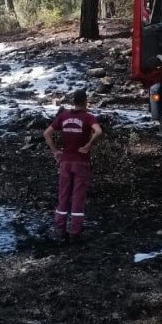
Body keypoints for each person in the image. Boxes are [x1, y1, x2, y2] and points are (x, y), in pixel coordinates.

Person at [43, 89, 103, 242]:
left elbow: (46, 133)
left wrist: (55, 151)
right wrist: (89, 144)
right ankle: (75, 232)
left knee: (63, 195)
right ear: (85, 101)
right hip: (81, 162)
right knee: (78, 197)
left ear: (73, 101)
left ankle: (59, 229)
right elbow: (98, 131)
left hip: (65, 162)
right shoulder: (88, 118)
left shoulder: (63, 117)